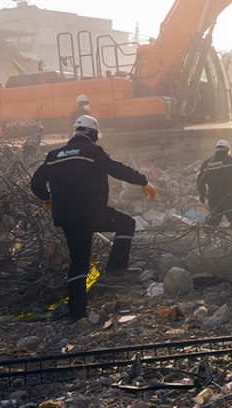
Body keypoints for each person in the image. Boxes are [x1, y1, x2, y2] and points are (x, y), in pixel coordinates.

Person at [30, 115, 156, 321]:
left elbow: (35, 183)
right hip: (91, 212)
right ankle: (116, 267)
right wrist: (142, 180)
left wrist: (48, 199)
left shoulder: (53, 155)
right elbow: (117, 169)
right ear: (92, 134)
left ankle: (77, 313)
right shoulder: (92, 151)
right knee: (127, 223)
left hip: (67, 217)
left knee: (79, 263)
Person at [197, 139, 232, 228]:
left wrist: (202, 194)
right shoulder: (231, 161)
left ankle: (209, 239)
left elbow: (200, 180)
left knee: (213, 221)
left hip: (214, 198)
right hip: (229, 197)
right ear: (228, 149)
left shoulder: (207, 163)